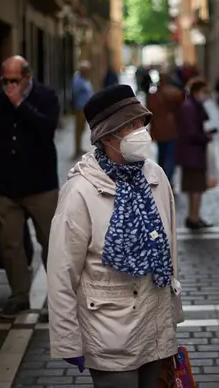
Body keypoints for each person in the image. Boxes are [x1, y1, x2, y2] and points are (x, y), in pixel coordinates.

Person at [47, 84, 180, 387]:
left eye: (140, 122)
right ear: (107, 136)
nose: (140, 131)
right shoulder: (80, 191)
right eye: (130, 125)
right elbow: (61, 271)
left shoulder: (155, 177)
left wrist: (172, 317)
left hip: (155, 330)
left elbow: (170, 253)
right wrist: (68, 339)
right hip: (108, 335)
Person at [0, 55, 61, 320]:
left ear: (27, 77)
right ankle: (19, 295)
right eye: (5, 80)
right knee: (10, 245)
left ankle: (58, 301)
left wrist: (19, 104)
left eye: (14, 80)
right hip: (8, 188)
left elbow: (48, 128)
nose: (9, 86)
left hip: (41, 186)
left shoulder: (46, 97)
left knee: (51, 244)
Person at [176, 78, 214, 229]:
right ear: (198, 92)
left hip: (194, 153)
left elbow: (203, 119)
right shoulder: (188, 107)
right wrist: (206, 137)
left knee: (196, 188)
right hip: (192, 155)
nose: (206, 95)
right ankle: (193, 218)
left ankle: (194, 216)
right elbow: (191, 133)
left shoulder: (193, 106)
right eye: (204, 92)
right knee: (196, 188)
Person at [146, 71, 186, 188]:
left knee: (162, 156)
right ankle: (167, 180)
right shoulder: (174, 93)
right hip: (171, 130)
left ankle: (162, 178)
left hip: (159, 131)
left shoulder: (153, 96)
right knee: (170, 157)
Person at [72, 61, 94, 156]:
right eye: (87, 70)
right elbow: (75, 93)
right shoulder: (77, 80)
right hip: (80, 107)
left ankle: (79, 147)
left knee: (82, 129)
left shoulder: (86, 80)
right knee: (78, 129)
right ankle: (77, 149)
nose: (88, 72)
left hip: (85, 108)